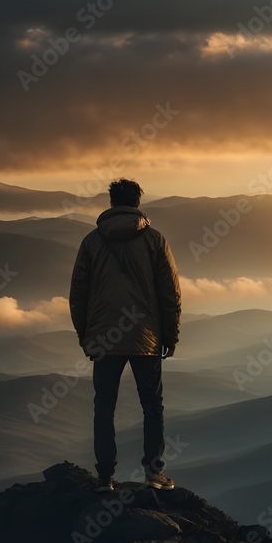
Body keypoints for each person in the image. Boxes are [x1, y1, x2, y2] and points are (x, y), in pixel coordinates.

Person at [69, 178, 181, 492]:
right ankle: (154, 474)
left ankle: (105, 478)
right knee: (152, 405)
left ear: (111, 202)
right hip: (146, 336)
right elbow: (170, 293)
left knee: (104, 406)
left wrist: (85, 336)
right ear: (137, 203)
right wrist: (170, 336)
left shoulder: (91, 242)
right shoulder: (155, 240)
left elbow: (78, 294)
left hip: (104, 337)